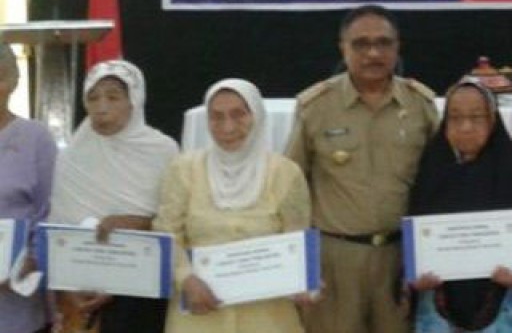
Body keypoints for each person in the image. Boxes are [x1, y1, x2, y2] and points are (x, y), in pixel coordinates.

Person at [286, 5, 441, 333]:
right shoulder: (316, 108)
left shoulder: (420, 106)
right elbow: (291, 189)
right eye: (361, 44)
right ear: (342, 47)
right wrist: (299, 264)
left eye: (384, 43)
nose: (373, 53)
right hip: (336, 261)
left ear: (397, 47)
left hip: (402, 261)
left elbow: (442, 185)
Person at [154, 78, 311, 333]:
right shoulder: (184, 169)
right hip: (199, 311)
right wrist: (186, 279)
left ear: (257, 116)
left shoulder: (285, 173)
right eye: (216, 117)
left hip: (267, 316)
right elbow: (167, 233)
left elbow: (297, 240)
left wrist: (304, 281)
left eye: (239, 115)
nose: (227, 127)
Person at [407, 78, 512, 333]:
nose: (466, 127)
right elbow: (415, 239)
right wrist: (415, 278)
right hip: (440, 304)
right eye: (455, 117)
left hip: (502, 303)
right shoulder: (432, 170)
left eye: (477, 117)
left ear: (493, 121)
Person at [49, 60, 180, 333]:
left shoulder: (162, 151)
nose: (101, 106)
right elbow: (58, 227)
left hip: (140, 290)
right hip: (80, 291)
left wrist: (134, 222)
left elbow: (176, 220)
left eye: (113, 96)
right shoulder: (73, 156)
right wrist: (69, 283)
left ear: (134, 100)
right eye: (93, 97)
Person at [0, 44, 57, 333]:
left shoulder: (36, 138)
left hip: (17, 298)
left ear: (13, 83)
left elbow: (50, 209)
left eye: (0, 77)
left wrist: (31, 259)